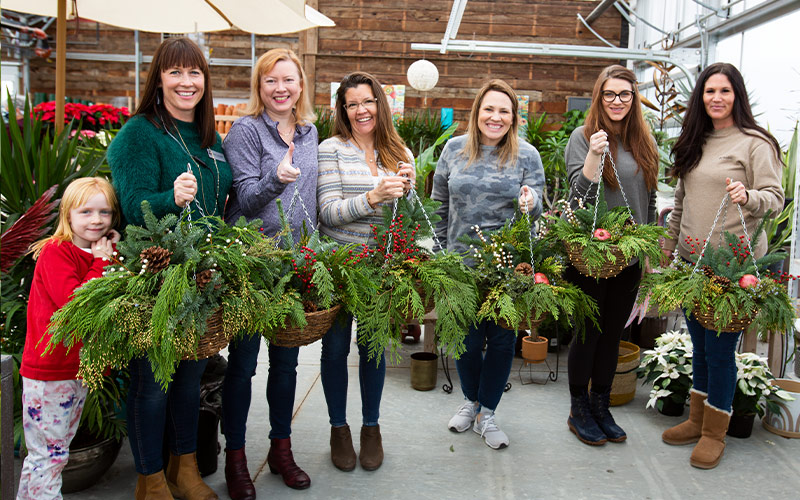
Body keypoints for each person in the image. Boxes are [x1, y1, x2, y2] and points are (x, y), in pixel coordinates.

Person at [107, 37, 232, 499]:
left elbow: (221, 201)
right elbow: (131, 204)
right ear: (158, 78)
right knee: (153, 381)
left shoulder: (209, 137)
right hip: (153, 279)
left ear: (205, 80)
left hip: (201, 278)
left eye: (194, 72)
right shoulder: (139, 133)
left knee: (189, 379)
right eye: (175, 72)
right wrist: (169, 200)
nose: (186, 81)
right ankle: (151, 479)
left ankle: (185, 470)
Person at [661, 62, 784, 469]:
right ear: (701, 97)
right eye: (710, 91)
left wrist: (749, 196)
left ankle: (716, 431)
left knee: (721, 351)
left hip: (734, 269)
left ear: (737, 96)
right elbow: (679, 204)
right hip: (693, 264)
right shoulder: (695, 140)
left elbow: (775, 198)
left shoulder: (754, 143)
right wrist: (665, 252)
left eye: (725, 91)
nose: (716, 98)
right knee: (699, 346)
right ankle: (697, 420)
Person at [221, 48, 317, 496]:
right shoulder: (246, 130)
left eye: (288, 80)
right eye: (270, 81)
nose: (280, 88)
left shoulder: (310, 132)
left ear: (301, 85)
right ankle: (235, 459)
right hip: (250, 265)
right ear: (259, 88)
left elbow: (313, 202)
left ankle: (281, 449)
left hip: (295, 267)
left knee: (286, 364)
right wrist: (276, 178)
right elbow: (242, 198)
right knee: (241, 367)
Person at [431, 79, 545, 449]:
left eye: (504, 111)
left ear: (514, 117)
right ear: (477, 112)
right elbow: (438, 206)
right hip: (460, 264)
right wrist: (434, 254)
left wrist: (531, 201)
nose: (495, 117)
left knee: (499, 341)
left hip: (507, 268)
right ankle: (471, 402)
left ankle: (488, 412)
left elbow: (539, 201)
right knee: (463, 340)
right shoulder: (453, 150)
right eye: (489, 109)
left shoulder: (527, 155)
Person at [316, 71, 415, 471]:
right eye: (352, 103)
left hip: (381, 269)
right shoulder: (331, 149)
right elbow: (327, 213)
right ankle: (338, 428)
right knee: (336, 349)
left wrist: (408, 192)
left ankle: (371, 427)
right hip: (339, 267)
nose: (361, 110)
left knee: (373, 351)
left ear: (381, 104)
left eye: (368, 101)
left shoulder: (400, 151)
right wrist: (373, 196)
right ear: (343, 109)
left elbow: (409, 221)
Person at [563, 65, 659, 447]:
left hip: (630, 258)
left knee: (611, 336)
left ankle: (601, 405)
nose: (617, 101)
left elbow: (649, 202)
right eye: (609, 94)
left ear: (633, 98)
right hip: (590, 256)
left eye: (625, 94)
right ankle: (578, 409)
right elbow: (576, 197)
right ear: (598, 97)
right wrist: (594, 155)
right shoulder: (582, 137)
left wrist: (649, 254)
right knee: (587, 334)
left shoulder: (644, 142)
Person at [17, 177, 120, 500]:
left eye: (104, 212)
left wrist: (108, 255)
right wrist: (102, 261)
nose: (96, 220)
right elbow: (76, 303)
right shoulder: (56, 252)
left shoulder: (95, 250)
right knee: (48, 455)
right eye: (86, 211)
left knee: (53, 452)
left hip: (75, 369)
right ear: (68, 214)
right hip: (50, 372)